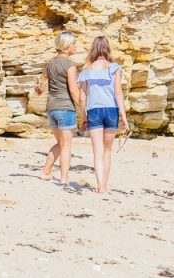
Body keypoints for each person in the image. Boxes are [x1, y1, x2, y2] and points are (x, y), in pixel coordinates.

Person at [77, 36, 128, 194]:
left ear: (93, 50)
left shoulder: (86, 71)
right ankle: (104, 186)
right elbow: (118, 93)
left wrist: (83, 117)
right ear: (107, 49)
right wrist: (124, 118)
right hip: (111, 110)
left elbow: (81, 96)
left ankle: (100, 188)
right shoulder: (114, 68)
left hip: (94, 111)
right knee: (107, 150)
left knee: (97, 151)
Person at [36, 32, 81, 182]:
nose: (76, 46)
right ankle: (64, 178)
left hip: (52, 108)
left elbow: (41, 85)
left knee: (60, 143)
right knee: (66, 145)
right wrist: (83, 108)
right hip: (65, 107)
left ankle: (46, 172)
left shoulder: (51, 63)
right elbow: (74, 90)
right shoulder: (70, 65)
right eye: (74, 43)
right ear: (67, 47)